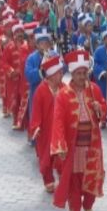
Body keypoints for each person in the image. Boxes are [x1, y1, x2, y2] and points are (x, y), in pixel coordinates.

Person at [50, 50, 107, 211]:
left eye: (84, 73)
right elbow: (58, 120)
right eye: (78, 73)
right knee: (74, 182)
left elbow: (104, 110)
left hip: (92, 146)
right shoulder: (63, 95)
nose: (82, 77)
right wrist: (60, 145)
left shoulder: (94, 90)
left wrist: (100, 109)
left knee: (91, 178)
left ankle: (88, 204)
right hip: (73, 147)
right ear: (72, 74)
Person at [30, 52, 64, 193]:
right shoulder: (41, 91)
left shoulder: (64, 88)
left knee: (62, 154)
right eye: (58, 73)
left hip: (60, 130)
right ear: (50, 75)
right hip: (45, 130)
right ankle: (48, 179)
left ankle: (63, 176)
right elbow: (36, 111)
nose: (61, 75)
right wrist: (36, 127)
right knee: (46, 156)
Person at [92, 26, 107, 126]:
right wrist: (102, 72)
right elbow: (95, 64)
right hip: (104, 80)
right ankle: (103, 118)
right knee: (103, 98)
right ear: (104, 39)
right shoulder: (98, 51)